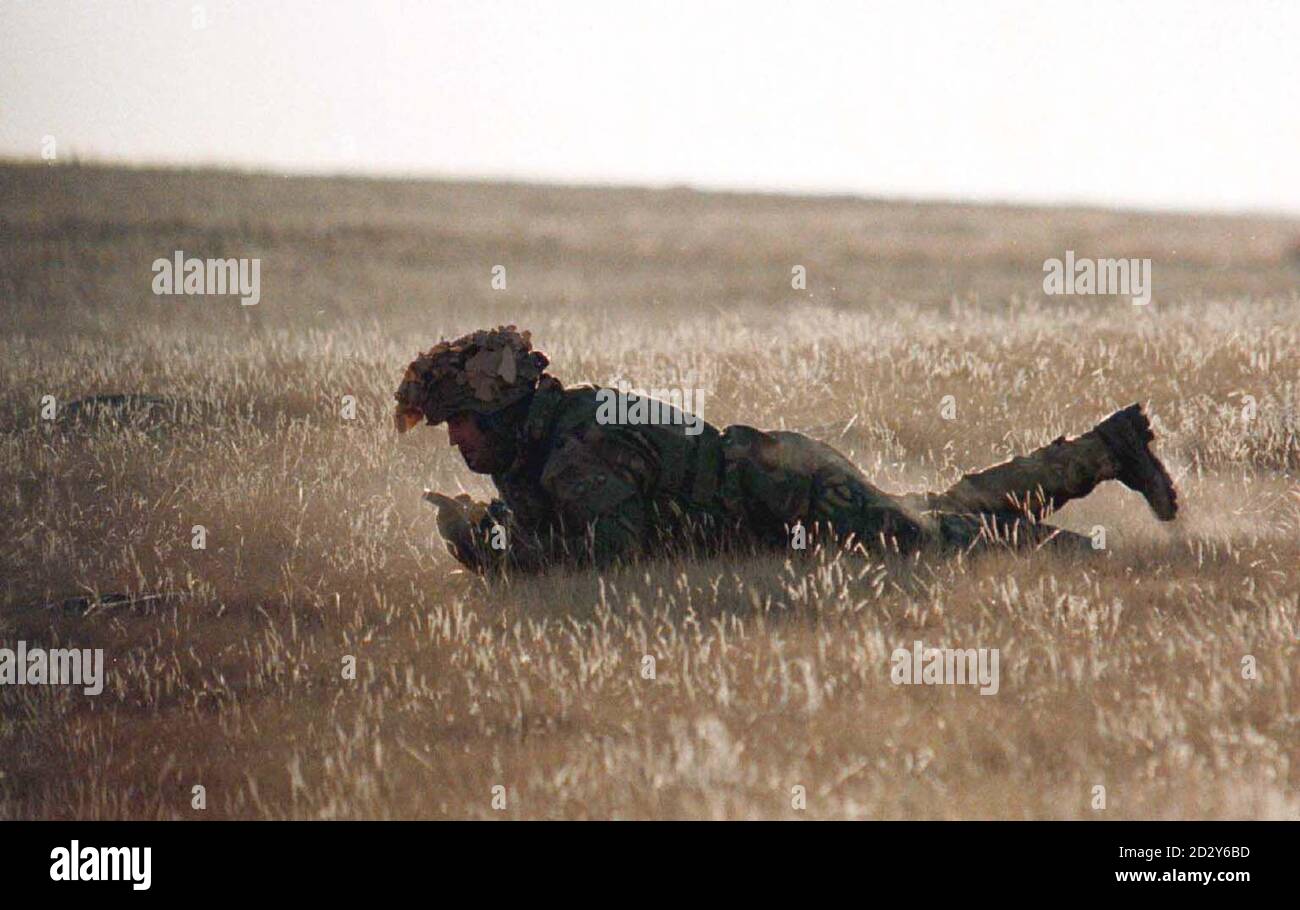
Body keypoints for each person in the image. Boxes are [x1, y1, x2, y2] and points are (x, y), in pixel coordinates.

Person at [394, 325, 1178, 574]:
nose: (456, 439)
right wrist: (490, 529)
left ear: (499, 413)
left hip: (794, 495)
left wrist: (490, 551)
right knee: (944, 512)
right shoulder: (553, 436)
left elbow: (611, 560)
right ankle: (1107, 449)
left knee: (939, 542)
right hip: (782, 476)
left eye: (460, 423)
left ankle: (1094, 565)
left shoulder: (572, 450)